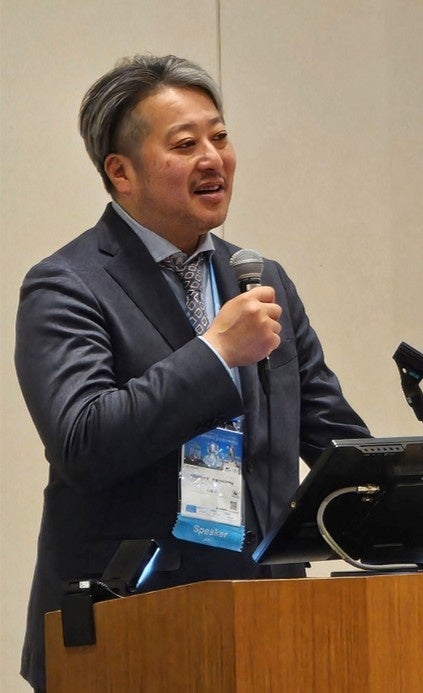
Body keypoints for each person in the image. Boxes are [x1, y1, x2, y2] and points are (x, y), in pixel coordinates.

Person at [15, 54, 369, 691]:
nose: (214, 159)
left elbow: (334, 442)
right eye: (185, 144)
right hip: (127, 625)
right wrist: (215, 353)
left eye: (220, 137)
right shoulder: (66, 285)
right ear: (120, 171)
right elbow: (83, 442)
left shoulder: (260, 278)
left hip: (266, 622)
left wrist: (395, 482)